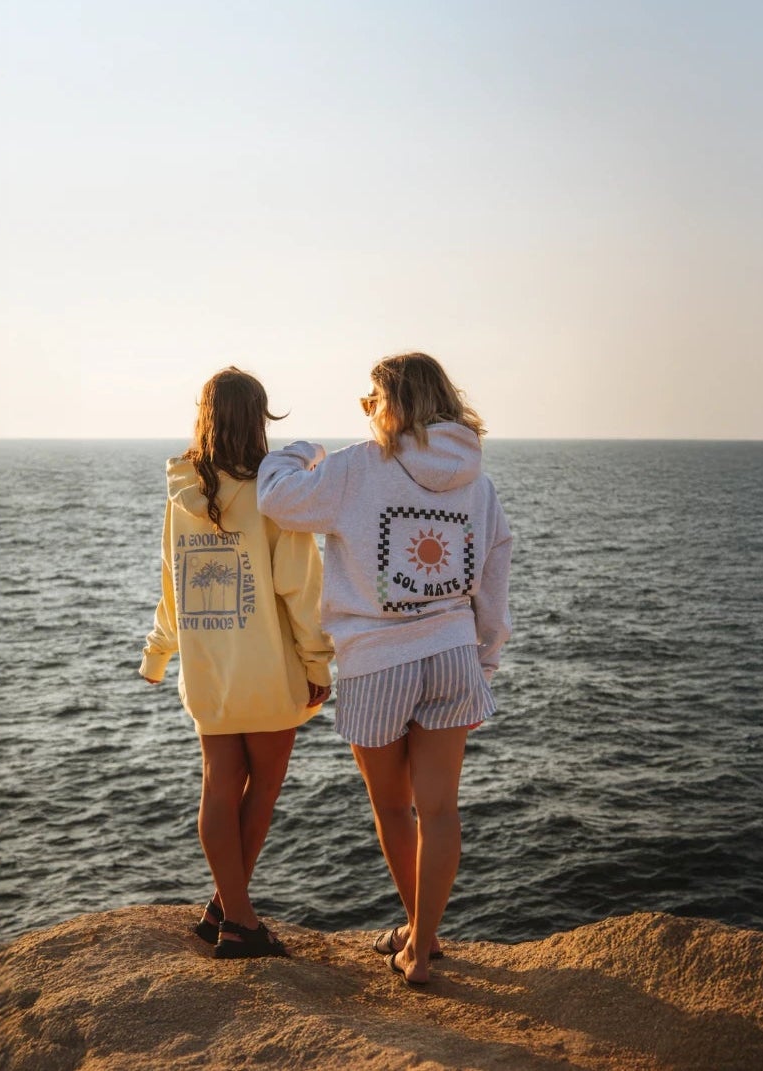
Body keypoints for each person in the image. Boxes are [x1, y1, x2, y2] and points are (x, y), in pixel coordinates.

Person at [257, 352, 512, 985]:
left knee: (395, 810)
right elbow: (496, 569)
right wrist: (486, 658)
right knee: (441, 811)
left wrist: (300, 452)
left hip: (377, 662)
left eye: (372, 397)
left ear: (394, 401)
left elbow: (276, 499)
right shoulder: (476, 482)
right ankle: (421, 944)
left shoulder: (354, 467)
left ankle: (418, 941)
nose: (365, 408)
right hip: (454, 655)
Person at [141, 367, 333, 958]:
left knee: (218, 788)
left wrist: (157, 654)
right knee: (262, 790)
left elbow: (174, 584)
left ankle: (225, 909)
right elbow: (300, 588)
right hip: (269, 671)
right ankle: (239, 921)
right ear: (257, 420)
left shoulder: (180, 488)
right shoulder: (272, 493)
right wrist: (319, 665)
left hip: (207, 672)